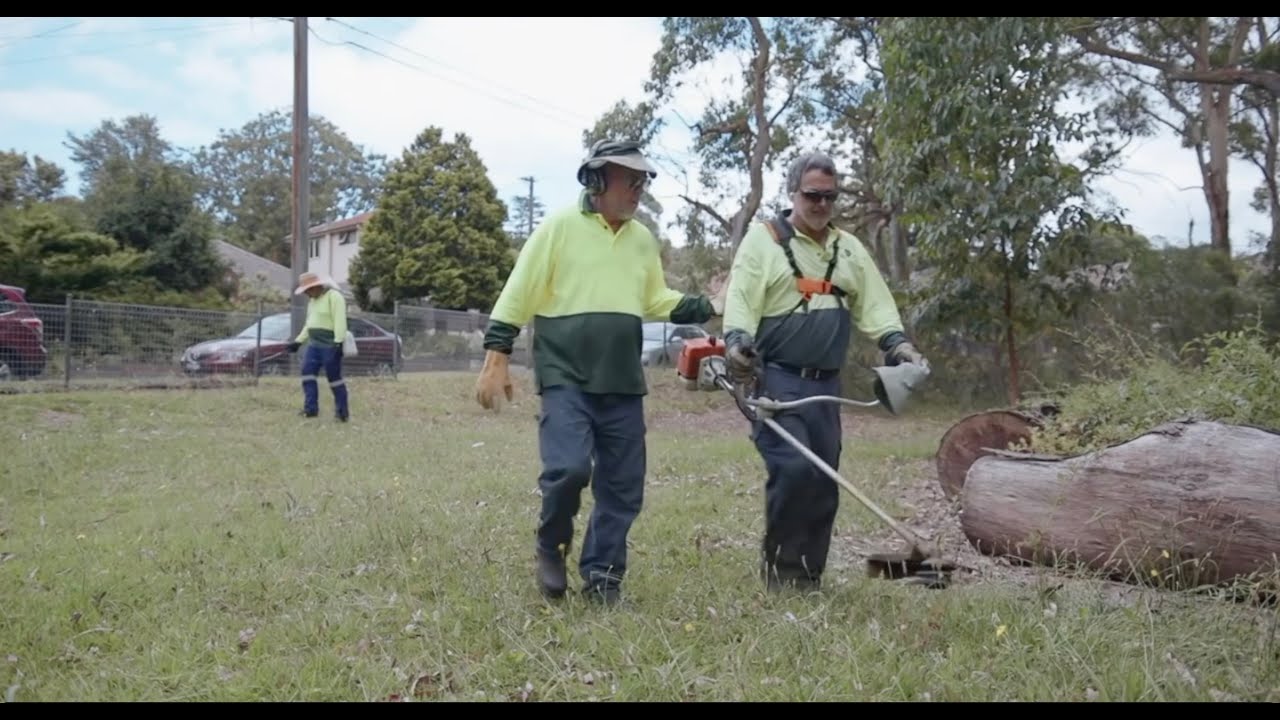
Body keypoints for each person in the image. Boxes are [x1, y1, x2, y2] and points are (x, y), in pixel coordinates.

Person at [475, 139, 719, 606]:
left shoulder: (642, 239)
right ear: (597, 179)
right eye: (631, 179)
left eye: (643, 180)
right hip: (566, 374)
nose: (638, 189)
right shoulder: (558, 229)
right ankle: (552, 545)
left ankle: (603, 581)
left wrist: (702, 304)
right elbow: (519, 290)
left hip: (622, 380)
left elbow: (652, 298)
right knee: (567, 469)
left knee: (622, 487)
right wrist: (497, 354)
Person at [719, 151, 928, 592]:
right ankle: (782, 574)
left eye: (830, 197)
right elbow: (741, 297)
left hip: (825, 387)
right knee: (794, 470)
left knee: (823, 480)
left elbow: (875, 304)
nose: (821, 205)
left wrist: (899, 346)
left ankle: (809, 577)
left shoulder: (848, 249)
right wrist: (736, 342)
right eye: (813, 195)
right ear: (793, 193)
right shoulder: (764, 241)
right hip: (775, 380)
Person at [287, 271, 351, 422]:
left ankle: (342, 413)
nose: (307, 294)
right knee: (307, 373)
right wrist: (298, 342)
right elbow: (310, 324)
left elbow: (340, 320)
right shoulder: (312, 301)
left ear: (316, 286)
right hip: (314, 345)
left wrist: (338, 342)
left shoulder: (334, 297)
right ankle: (311, 410)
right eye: (305, 291)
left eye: (308, 290)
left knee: (334, 379)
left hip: (330, 345)